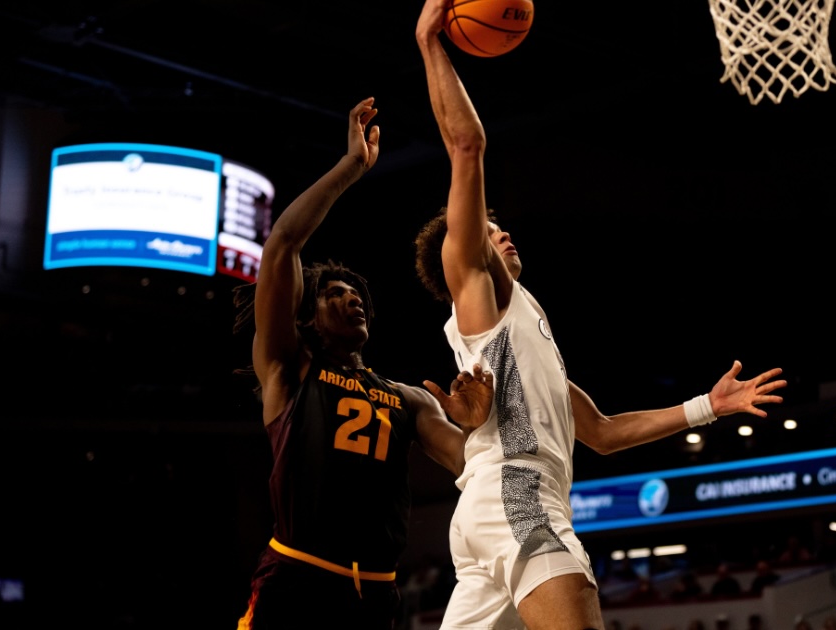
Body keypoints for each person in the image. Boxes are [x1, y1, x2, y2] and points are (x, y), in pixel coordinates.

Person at [412, 0, 788, 627]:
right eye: (489, 229)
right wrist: (431, 43)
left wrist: (707, 406)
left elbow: (606, 432)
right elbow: (467, 144)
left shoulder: (522, 332)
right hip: (517, 496)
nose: (503, 235)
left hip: (495, 507)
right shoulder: (480, 294)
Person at [233, 97, 496, 630]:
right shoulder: (290, 368)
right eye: (334, 292)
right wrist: (351, 168)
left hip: (375, 595)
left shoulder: (410, 398)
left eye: (356, 294)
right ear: (308, 318)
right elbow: (282, 243)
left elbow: (469, 463)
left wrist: (480, 425)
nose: (352, 298)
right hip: (297, 580)